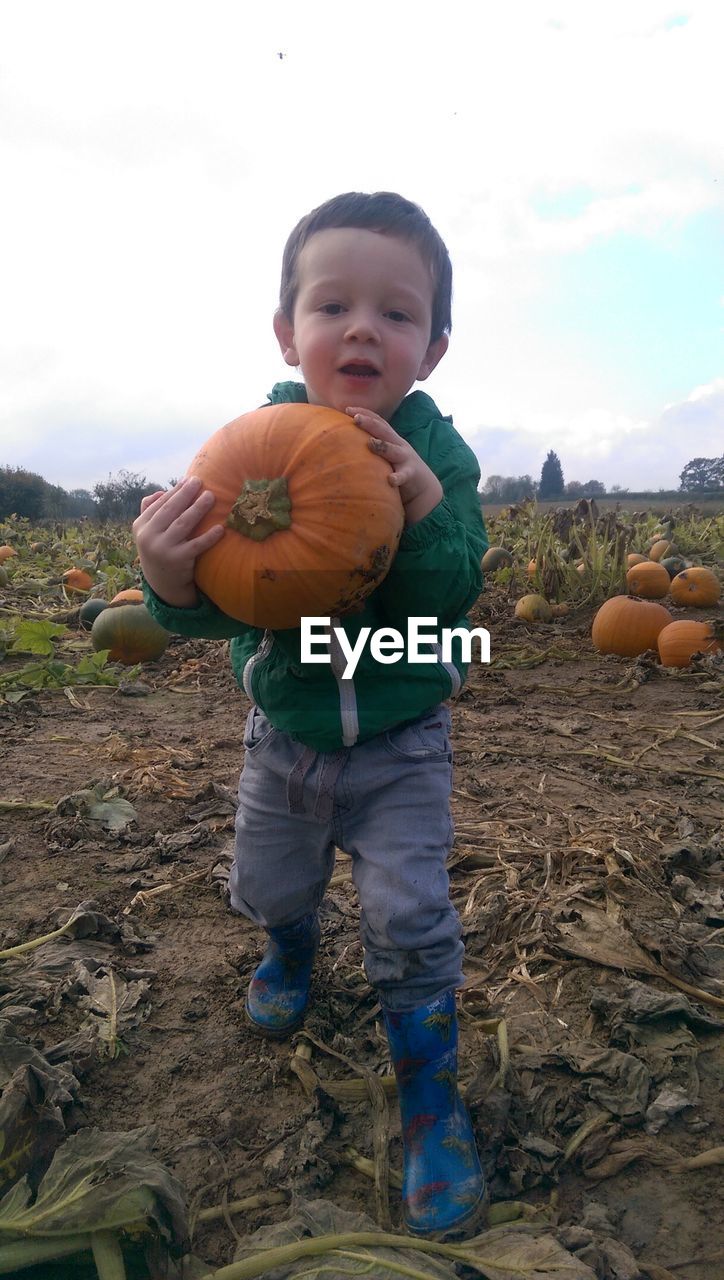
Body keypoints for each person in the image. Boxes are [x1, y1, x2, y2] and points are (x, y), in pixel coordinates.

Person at [133, 191, 489, 1238]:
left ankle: (429, 1095)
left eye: (396, 311)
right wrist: (169, 580)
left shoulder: (443, 458)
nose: (362, 327)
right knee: (268, 883)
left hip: (401, 742)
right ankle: (290, 947)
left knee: (409, 916)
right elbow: (208, 615)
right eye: (333, 304)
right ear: (289, 333)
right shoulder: (248, 446)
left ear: (431, 347)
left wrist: (424, 511)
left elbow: (446, 598)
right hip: (282, 737)